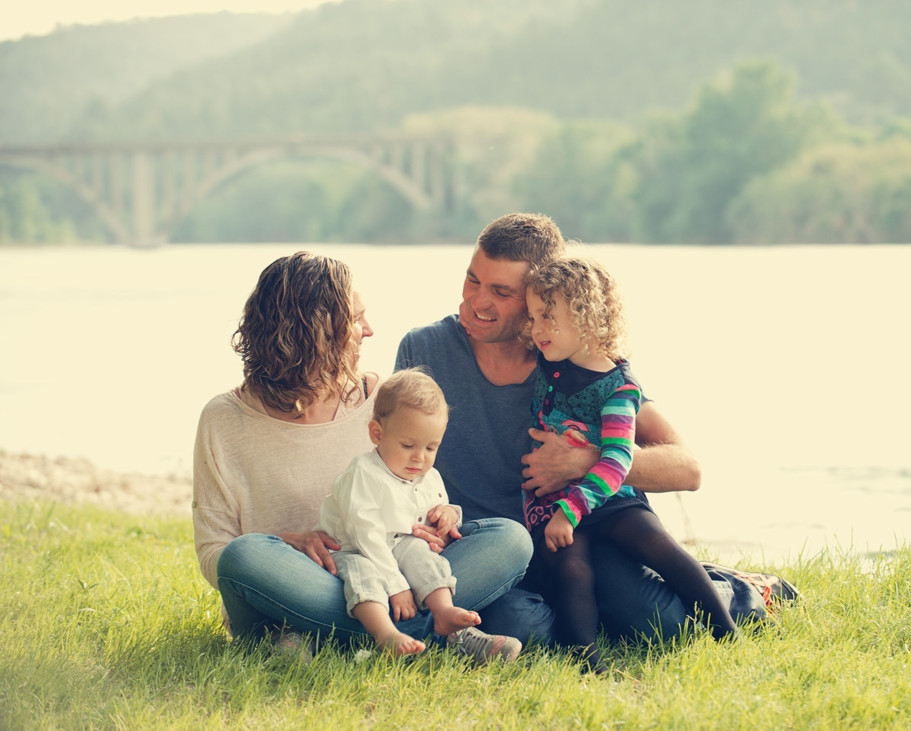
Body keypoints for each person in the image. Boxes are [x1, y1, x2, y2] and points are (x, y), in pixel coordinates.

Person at [395, 212, 750, 647]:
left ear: (542, 296)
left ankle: (741, 587)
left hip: (576, 529)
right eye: (472, 280)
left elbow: (688, 468)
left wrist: (586, 461)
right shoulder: (424, 348)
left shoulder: (575, 356)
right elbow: (395, 456)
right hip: (490, 547)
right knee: (523, 628)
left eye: (501, 292)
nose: (476, 302)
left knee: (663, 625)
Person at [192, 251, 531, 663]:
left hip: (388, 573)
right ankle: (417, 634)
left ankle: (334, 636)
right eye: (356, 319)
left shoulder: (381, 401)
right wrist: (286, 544)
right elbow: (214, 554)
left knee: (509, 539)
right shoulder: (224, 418)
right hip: (297, 587)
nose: (369, 330)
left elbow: (413, 487)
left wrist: (432, 526)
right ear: (314, 332)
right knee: (242, 557)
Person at [523, 256, 739, 673]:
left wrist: (571, 510)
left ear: (587, 318)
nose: (535, 329)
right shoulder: (549, 362)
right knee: (572, 568)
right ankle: (587, 660)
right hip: (554, 497)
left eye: (547, 317)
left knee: (659, 545)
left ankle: (727, 631)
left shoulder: (618, 389)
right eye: (533, 317)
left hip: (609, 495)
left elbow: (618, 460)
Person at [317, 368, 522, 660]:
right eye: (408, 445)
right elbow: (365, 535)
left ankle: (443, 611)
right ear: (377, 433)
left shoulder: (427, 475)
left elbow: (433, 515)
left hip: (400, 546)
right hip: (352, 550)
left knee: (421, 554)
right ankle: (385, 633)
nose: (420, 457)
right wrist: (397, 586)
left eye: (431, 447)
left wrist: (449, 515)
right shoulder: (363, 473)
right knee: (365, 574)